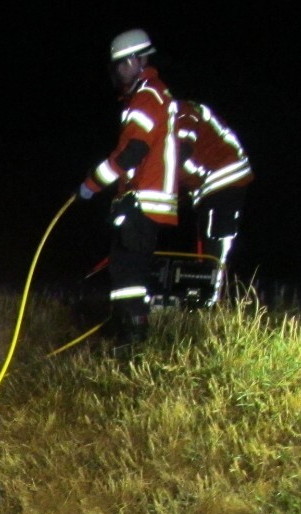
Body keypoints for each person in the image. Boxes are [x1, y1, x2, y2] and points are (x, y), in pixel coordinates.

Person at [78, 28, 180, 346]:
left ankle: (133, 338)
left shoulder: (148, 96)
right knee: (124, 267)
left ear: (139, 60)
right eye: (117, 65)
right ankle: (125, 329)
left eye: (123, 64)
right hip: (140, 199)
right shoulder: (146, 95)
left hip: (143, 199)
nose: (119, 71)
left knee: (128, 270)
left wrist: (92, 183)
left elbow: (133, 151)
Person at [176, 99, 253, 304]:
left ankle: (212, 300)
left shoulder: (183, 111)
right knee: (207, 241)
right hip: (209, 187)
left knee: (216, 241)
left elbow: (181, 153)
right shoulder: (171, 122)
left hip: (224, 178)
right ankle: (204, 295)